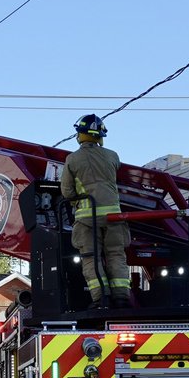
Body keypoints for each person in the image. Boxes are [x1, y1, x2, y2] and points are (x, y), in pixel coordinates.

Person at [60, 114, 130, 309]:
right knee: (116, 254)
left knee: (91, 257)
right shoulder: (113, 156)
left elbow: (66, 191)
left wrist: (78, 203)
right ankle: (122, 297)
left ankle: (101, 299)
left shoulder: (72, 159)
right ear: (100, 135)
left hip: (87, 219)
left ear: (80, 135)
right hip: (114, 217)